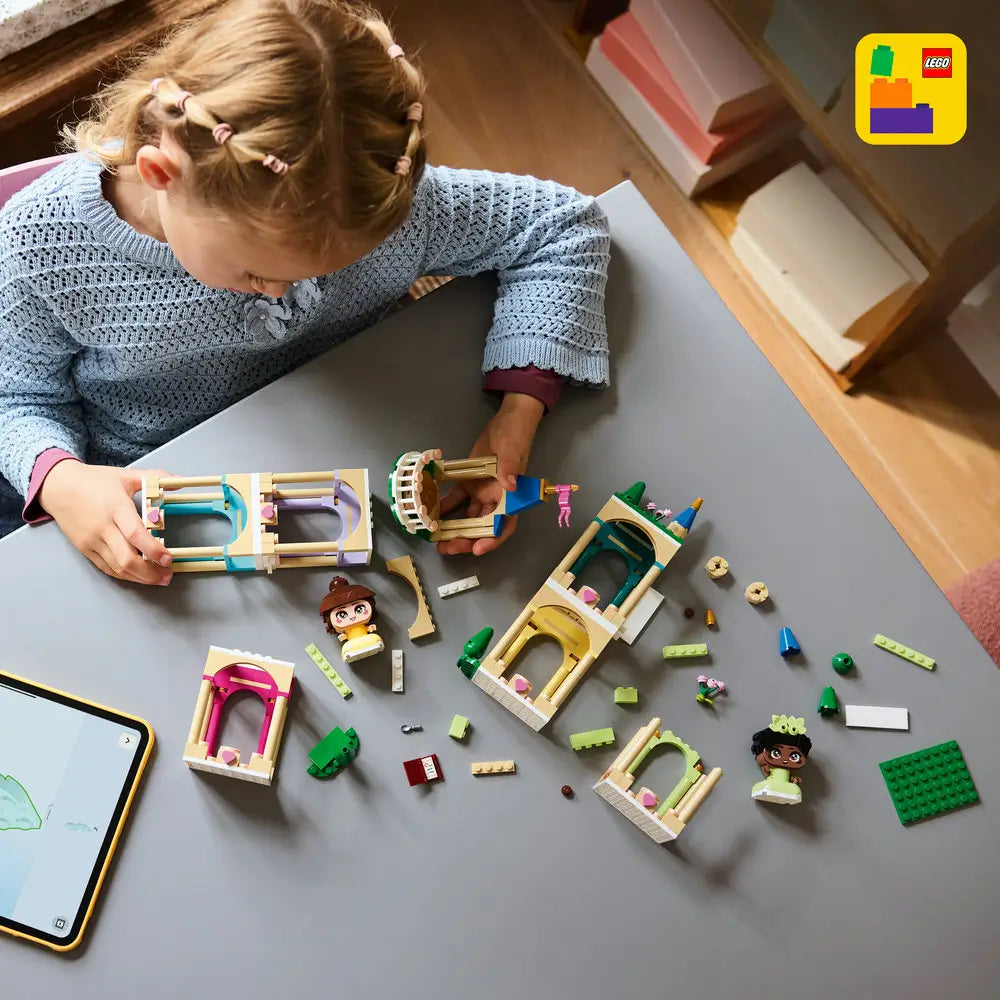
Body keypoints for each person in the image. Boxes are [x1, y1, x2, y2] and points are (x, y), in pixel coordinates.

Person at [0, 0, 610, 584]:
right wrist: (62, 480)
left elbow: (562, 225)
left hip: (344, 447)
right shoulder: (41, 245)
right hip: (150, 493)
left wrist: (517, 416)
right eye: (256, 273)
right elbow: (14, 397)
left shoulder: (391, 205)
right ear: (164, 175)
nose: (283, 295)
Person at [750, 715, 812, 805]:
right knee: (768, 786)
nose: (785, 761)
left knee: (794, 789)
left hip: (786, 785)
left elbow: (790, 778)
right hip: (771, 782)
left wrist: (794, 780)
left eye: (794, 756)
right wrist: (767, 770)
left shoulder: (788, 769)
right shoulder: (767, 761)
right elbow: (767, 772)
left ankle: (786, 792)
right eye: (776, 753)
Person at [319, 576, 383, 663]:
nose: (352, 617)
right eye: (342, 615)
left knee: (374, 638)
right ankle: (350, 652)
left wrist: (369, 628)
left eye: (359, 609)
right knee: (348, 646)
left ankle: (374, 644)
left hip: (366, 637)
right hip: (351, 641)